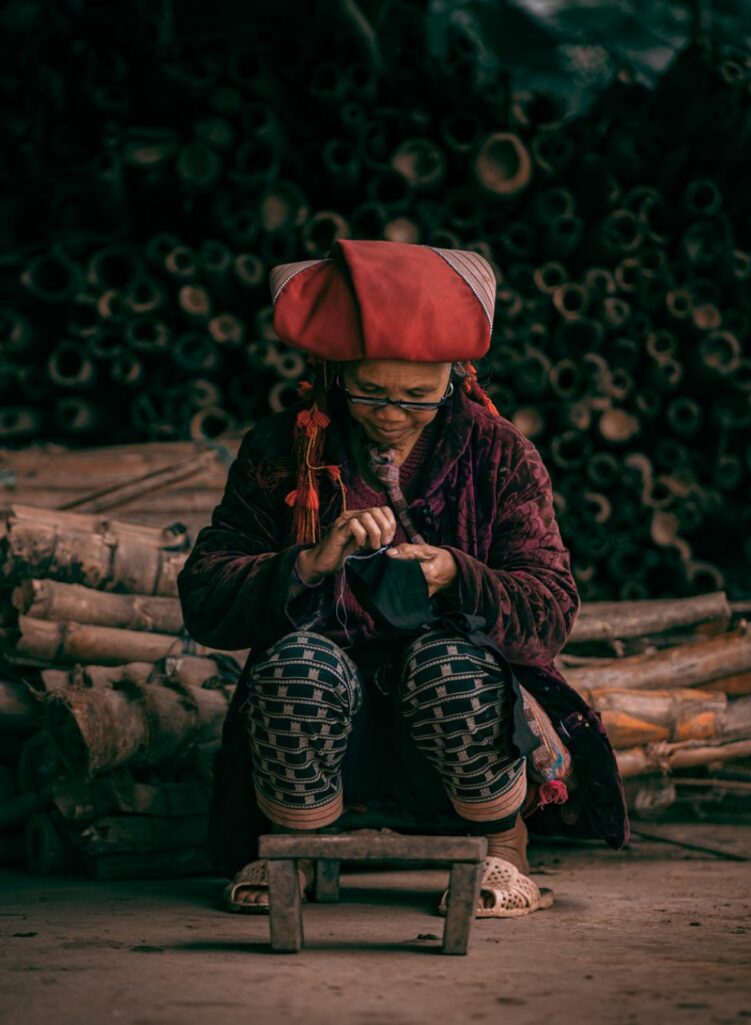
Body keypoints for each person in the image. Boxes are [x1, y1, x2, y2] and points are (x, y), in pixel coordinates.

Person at [178, 240, 628, 918]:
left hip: (457, 724)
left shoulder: (500, 454)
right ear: (335, 373)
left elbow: (551, 608)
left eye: (418, 396)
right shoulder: (283, 447)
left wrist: (458, 574)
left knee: (451, 663)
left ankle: (502, 845)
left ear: (456, 377)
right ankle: (294, 847)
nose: (391, 415)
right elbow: (205, 593)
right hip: (326, 727)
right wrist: (307, 564)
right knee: (296, 663)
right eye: (370, 392)